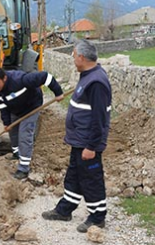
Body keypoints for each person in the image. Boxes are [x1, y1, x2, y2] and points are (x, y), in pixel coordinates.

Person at [41, 39, 112, 233]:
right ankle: (65, 209)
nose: (73, 59)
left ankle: (98, 217)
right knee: (73, 175)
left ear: (81, 57)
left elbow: (99, 118)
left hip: (88, 142)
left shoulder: (97, 82)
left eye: (73, 55)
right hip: (79, 139)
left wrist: (92, 146)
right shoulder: (88, 75)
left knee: (91, 179)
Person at [0, 67, 64, 180]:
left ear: (4, 78)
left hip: (31, 107)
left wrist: (58, 92)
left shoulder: (21, 80)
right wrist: (6, 122)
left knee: (25, 134)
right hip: (15, 109)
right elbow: (2, 106)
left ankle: (23, 169)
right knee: (13, 131)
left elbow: (45, 76)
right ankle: (16, 153)